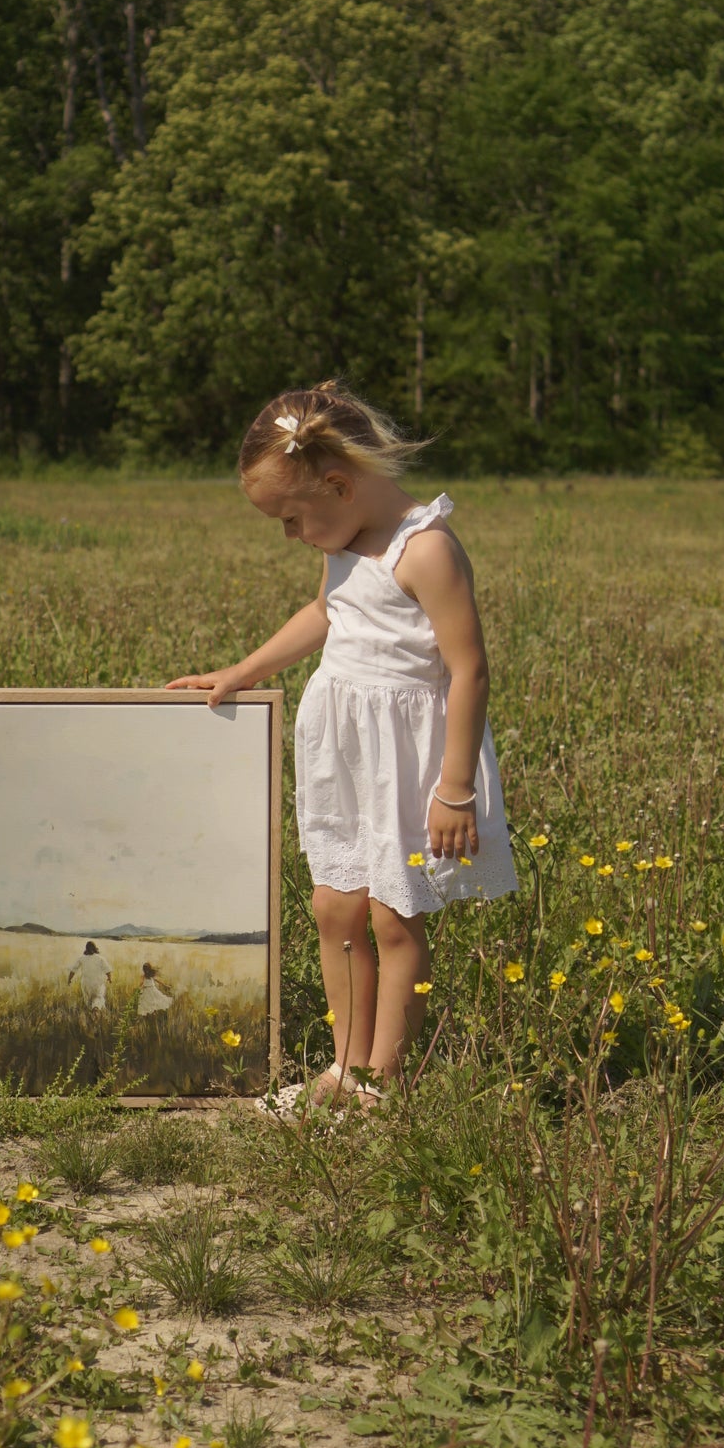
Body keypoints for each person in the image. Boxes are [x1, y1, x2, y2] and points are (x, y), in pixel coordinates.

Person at [168, 381, 517, 1104]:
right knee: (335, 907)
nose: (291, 535)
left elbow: (468, 670)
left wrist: (455, 786)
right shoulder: (346, 539)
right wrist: (243, 669)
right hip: (347, 757)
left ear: (337, 483)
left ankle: (379, 1083)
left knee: (393, 915)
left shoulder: (423, 551)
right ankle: (342, 1064)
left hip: (410, 767)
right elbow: (326, 612)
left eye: (291, 518)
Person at [65, 939, 110, 1011]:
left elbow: (73, 970)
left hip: (86, 983)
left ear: (86, 949)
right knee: (98, 998)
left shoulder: (81, 958)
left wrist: (69, 979)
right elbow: (107, 970)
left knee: (88, 1000)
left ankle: (92, 1013)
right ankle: (96, 1010)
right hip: (98, 983)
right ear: (95, 948)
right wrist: (109, 978)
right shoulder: (100, 958)